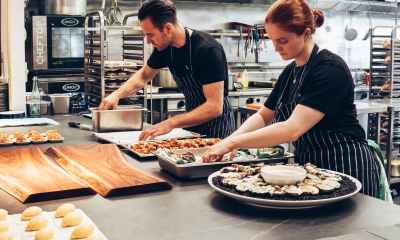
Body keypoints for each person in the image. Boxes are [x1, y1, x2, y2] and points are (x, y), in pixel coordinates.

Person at [203, 0, 380, 197]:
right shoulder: (290, 71)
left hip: (346, 163)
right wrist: (229, 139)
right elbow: (264, 115)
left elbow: (292, 129)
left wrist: (232, 144)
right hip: (312, 167)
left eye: (283, 40)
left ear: (305, 34)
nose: (276, 48)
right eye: (272, 40)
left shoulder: (329, 69)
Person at [99, 0, 235, 140]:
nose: (147, 41)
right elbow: (144, 76)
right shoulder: (165, 48)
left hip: (218, 130)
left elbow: (214, 107)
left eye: (150, 35)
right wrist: (116, 95)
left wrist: (171, 123)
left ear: (168, 29)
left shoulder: (207, 50)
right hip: (192, 125)